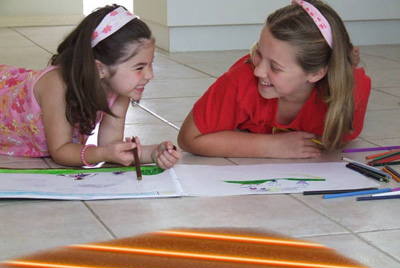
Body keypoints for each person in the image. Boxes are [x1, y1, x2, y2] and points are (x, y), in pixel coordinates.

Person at [178, 0, 371, 159]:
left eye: (275, 67)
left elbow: (341, 138)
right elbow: (189, 138)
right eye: (258, 53)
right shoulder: (242, 79)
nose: (259, 71)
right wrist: (268, 146)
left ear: (316, 73)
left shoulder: (350, 92)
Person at [0, 5, 180, 169]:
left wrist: (154, 153)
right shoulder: (57, 86)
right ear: (99, 68)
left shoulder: (120, 93)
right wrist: (102, 153)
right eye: (139, 67)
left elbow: (112, 146)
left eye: (150, 65)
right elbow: (61, 150)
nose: (150, 75)